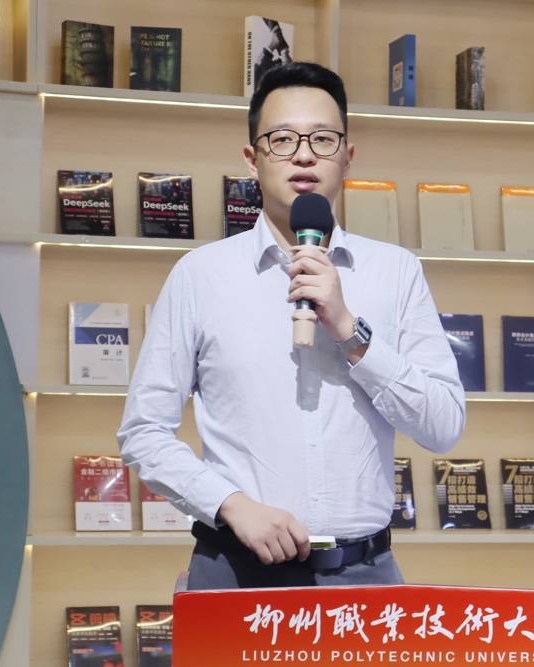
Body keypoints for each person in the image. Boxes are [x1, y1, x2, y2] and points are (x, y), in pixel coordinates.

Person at [117, 62, 465, 589]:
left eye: (323, 139)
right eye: (282, 140)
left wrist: (349, 330)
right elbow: (143, 432)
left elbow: (443, 425)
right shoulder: (200, 275)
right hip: (235, 571)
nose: (304, 155)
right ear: (251, 159)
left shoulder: (396, 271)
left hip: (365, 576)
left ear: (348, 156)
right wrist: (231, 505)